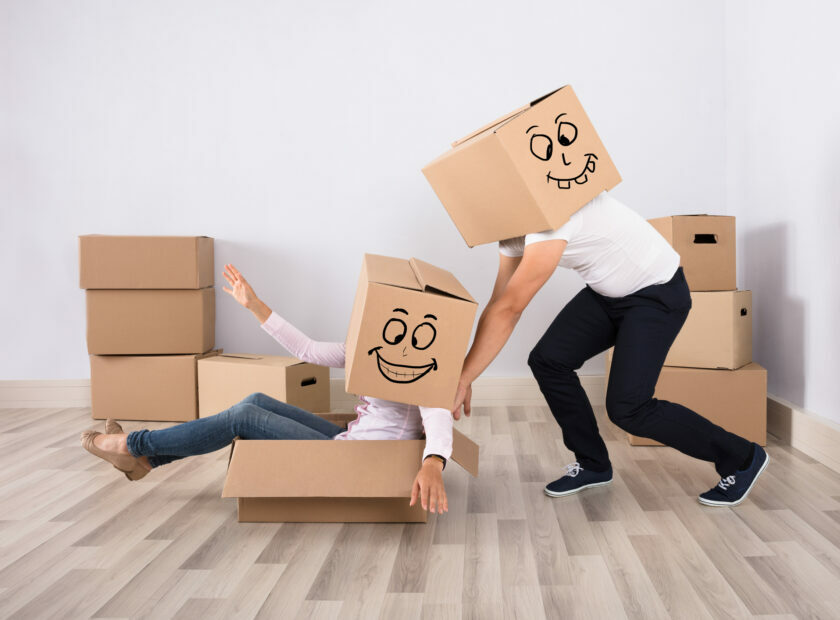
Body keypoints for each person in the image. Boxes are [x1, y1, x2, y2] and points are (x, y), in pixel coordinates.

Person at [451, 191, 768, 507]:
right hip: (608, 295)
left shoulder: (550, 218)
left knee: (628, 408)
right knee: (549, 360)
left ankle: (742, 457)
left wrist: (464, 378)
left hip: (656, 295)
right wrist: (463, 372)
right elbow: (499, 302)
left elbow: (510, 309)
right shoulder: (511, 235)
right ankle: (593, 464)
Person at [81, 264, 452, 514]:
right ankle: (147, 460)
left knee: (244, 416)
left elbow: (437, 412)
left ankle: (135, 447)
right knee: (255, 401)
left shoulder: (419, 366)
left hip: (364, 459)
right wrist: (255, 306)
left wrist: (434, 462)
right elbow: (308, 349)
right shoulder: (369, 349)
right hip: (349, 440)